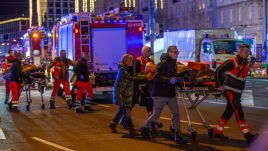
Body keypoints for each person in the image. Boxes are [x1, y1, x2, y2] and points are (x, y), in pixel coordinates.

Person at [140, 45, 188, 145]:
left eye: (177, 52)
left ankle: (177, 135)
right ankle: (145, 127)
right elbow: (156, 77)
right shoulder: (163, 63)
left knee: (176, 113)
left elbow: (172, 76)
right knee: (156, 114)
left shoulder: (174, 63)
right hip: (160, 93)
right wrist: (169, 80)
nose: (177, 53)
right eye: (175, 52)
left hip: (170, 93)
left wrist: (178, 80)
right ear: (169, 53)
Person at [214, 44, 258, 144]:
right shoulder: (232, 62)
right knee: (239, 112)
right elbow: (218, 71)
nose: (248, 54)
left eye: (248, 52)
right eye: (246, 52)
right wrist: (219, 85)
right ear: (240, 51)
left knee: (228, 112)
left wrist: (251, 63)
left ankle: (217, 131)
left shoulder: (245, 62)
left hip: (237, 92)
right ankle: (247, 135)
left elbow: (242, 74)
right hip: (230, 91)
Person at [109, 54, 151, 136]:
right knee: (127, 112)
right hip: (121, 93)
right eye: (129, 61)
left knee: (122, 110)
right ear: (125, 61)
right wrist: (145, 77)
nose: (131, 62)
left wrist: (145, 74)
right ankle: (131, 130)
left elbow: (135, 76)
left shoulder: (129, 69)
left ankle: (113, 124)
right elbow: (133, 78)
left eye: (132, 61)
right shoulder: (123, 70)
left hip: (126, 93)